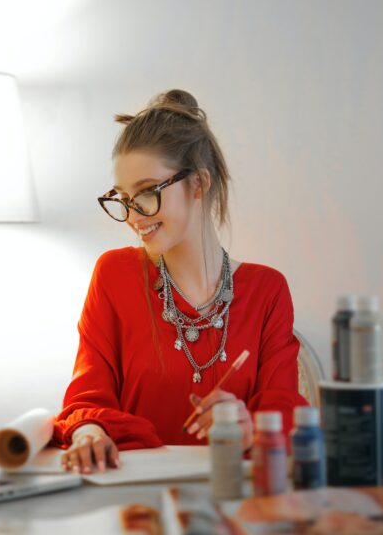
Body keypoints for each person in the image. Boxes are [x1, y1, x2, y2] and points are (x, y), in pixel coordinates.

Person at [51, 89, 308, 474]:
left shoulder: (266, 290)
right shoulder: (114, 275)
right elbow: (87, 397)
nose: (134, 216)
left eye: (148, 192)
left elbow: (284, 408)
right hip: (133, 499)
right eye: (123, 197)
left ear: (199, 184)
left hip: (233, 498)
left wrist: (248, 423)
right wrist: (89, 431)